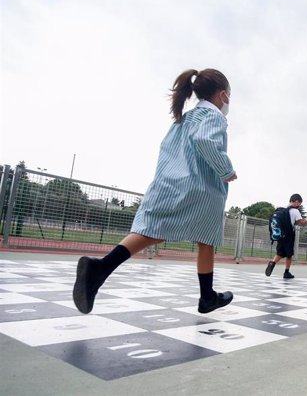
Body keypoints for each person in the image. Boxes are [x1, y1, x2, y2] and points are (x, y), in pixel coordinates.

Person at [73, 68, 237, 315]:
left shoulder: (183, 118)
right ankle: (206, 297)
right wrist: (226, 170)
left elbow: (167, 149)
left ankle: (101, 268)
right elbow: (205, 142)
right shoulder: (212, 116)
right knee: (207, 238)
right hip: (201, 187)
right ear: (223, 95)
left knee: (151, 229)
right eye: (229, 97)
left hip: (170, 182)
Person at [265, 194, 307, 279]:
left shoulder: (283, 209)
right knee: (289, 254)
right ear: (296, 202)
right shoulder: (295, 211)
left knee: (280, 252)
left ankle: (272, 263)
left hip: (281, 234)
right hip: (289, 234)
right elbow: (301, 223)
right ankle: (286, 272)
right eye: (299, 203)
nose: (299, 206)